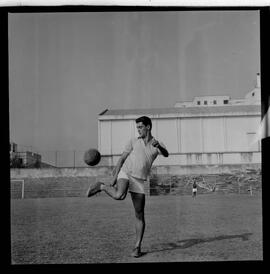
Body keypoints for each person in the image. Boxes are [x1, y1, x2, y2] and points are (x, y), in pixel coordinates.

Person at [86, 116, 169, 258]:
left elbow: (166, 154)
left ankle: (137, 247)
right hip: (126, 172)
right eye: (137, 127)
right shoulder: (133, 141)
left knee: (139, 214)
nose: (138, 130)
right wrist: (114, 176)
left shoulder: (157, 144)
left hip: (140, 181)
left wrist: (158, 146)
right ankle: (101, 187)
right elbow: (122, 159)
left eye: (141, 127)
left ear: (148, 127)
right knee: (119, 195)